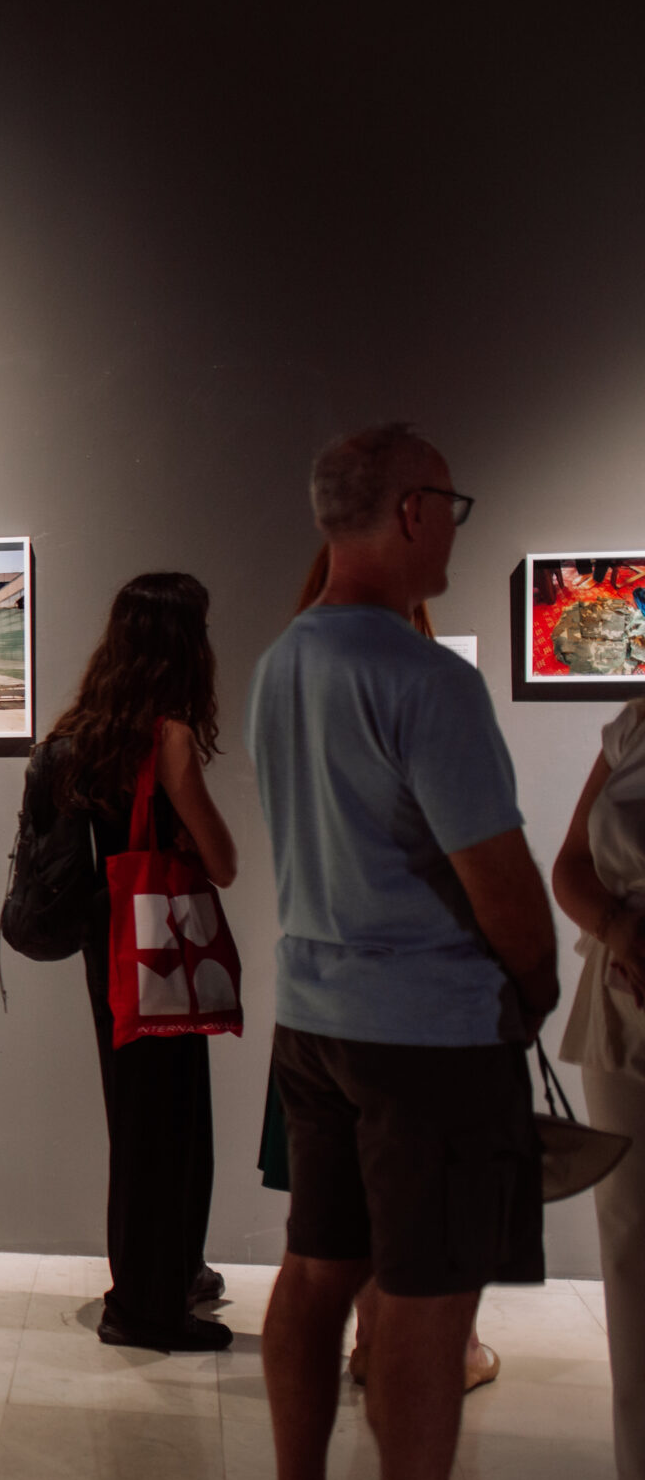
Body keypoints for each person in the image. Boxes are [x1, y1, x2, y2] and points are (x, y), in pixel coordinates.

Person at [249, 423, 567, 1480]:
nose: (453, 530)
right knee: (427, 1301)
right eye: (451, 505)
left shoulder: (282, 662)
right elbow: (502, 883)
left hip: (313, 1022)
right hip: (427, 1035)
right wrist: (532, 983)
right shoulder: (427, 681)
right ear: (410, 511)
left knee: (315, 1269)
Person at [269, 547, 502, 1395]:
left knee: (324, 1238)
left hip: (314, 1001)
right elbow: (478, 862)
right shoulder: (427, 690)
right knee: (425, 1218)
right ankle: (429, 1359)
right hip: (413, 1005)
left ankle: (368, 1350)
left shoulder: (287, 692)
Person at [41, 573, 238, 1353]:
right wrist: (188, 838)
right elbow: (224, 860)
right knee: (169, 1124)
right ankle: (145, 1305)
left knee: (140, 1121)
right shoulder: (169, 736)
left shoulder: (86, 733)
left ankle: (166, 1274)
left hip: (111, 943)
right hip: (159, 944)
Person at [551, 695, 645, 1480]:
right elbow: (571, 865)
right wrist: (619, 928)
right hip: (628, 998)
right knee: (630, 1242)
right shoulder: (634, 726)